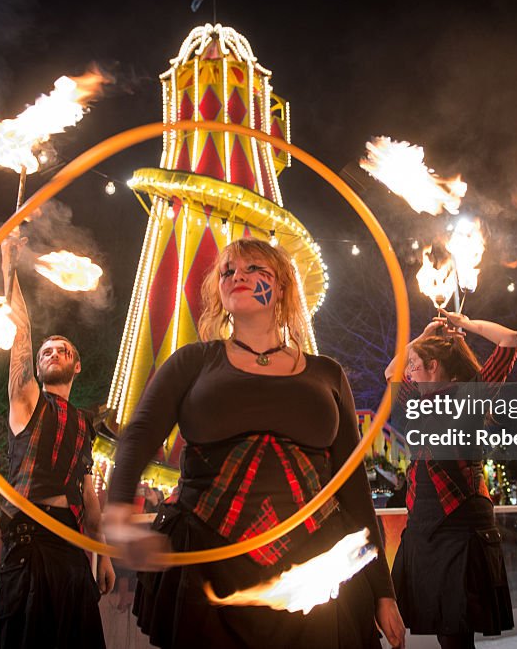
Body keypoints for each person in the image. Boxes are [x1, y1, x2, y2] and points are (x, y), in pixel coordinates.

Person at [103, 238, 405, 649]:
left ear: (280, 285)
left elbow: (351, 483)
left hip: (317, 564)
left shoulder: (327, 373)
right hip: (209, 564)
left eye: (252, 268)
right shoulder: (195, 361)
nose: (236, 276)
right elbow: (137, 437)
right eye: (228, 271)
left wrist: (383, 590)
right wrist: (118, 509)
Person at [0, 238, 114, 648]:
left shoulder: (84, 423)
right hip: (30, 541)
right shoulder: (26, 401)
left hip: (72, 545)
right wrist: (10, 266)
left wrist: (104, 553)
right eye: (47, 350)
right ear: (37, 365)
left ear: (76, 365)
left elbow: (87, 492)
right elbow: (21, 333)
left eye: (62, 350)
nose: (52, 352)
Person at [384, 308, 517, 649]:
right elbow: (391, 370)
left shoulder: (470, 395)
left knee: (457, 633)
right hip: (423, 525)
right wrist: (423, 337)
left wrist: (464, 324)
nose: (409, 372)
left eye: (415, 364)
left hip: (462, 524)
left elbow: (510, 340)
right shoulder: (416, 401)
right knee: (445, 631)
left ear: (434, 366)